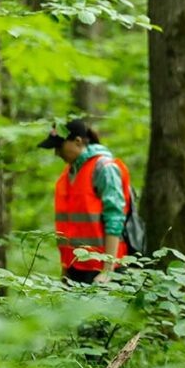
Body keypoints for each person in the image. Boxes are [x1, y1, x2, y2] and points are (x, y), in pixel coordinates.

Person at [38, 118, 132, 284]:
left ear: (77, 142)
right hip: (76, 269)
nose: (56, 153)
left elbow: (115, 218)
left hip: (102, 271)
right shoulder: (68, 175)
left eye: (59, 146)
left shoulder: (104, 168)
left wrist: (107, 270)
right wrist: (65, 269)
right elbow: (68, 227)